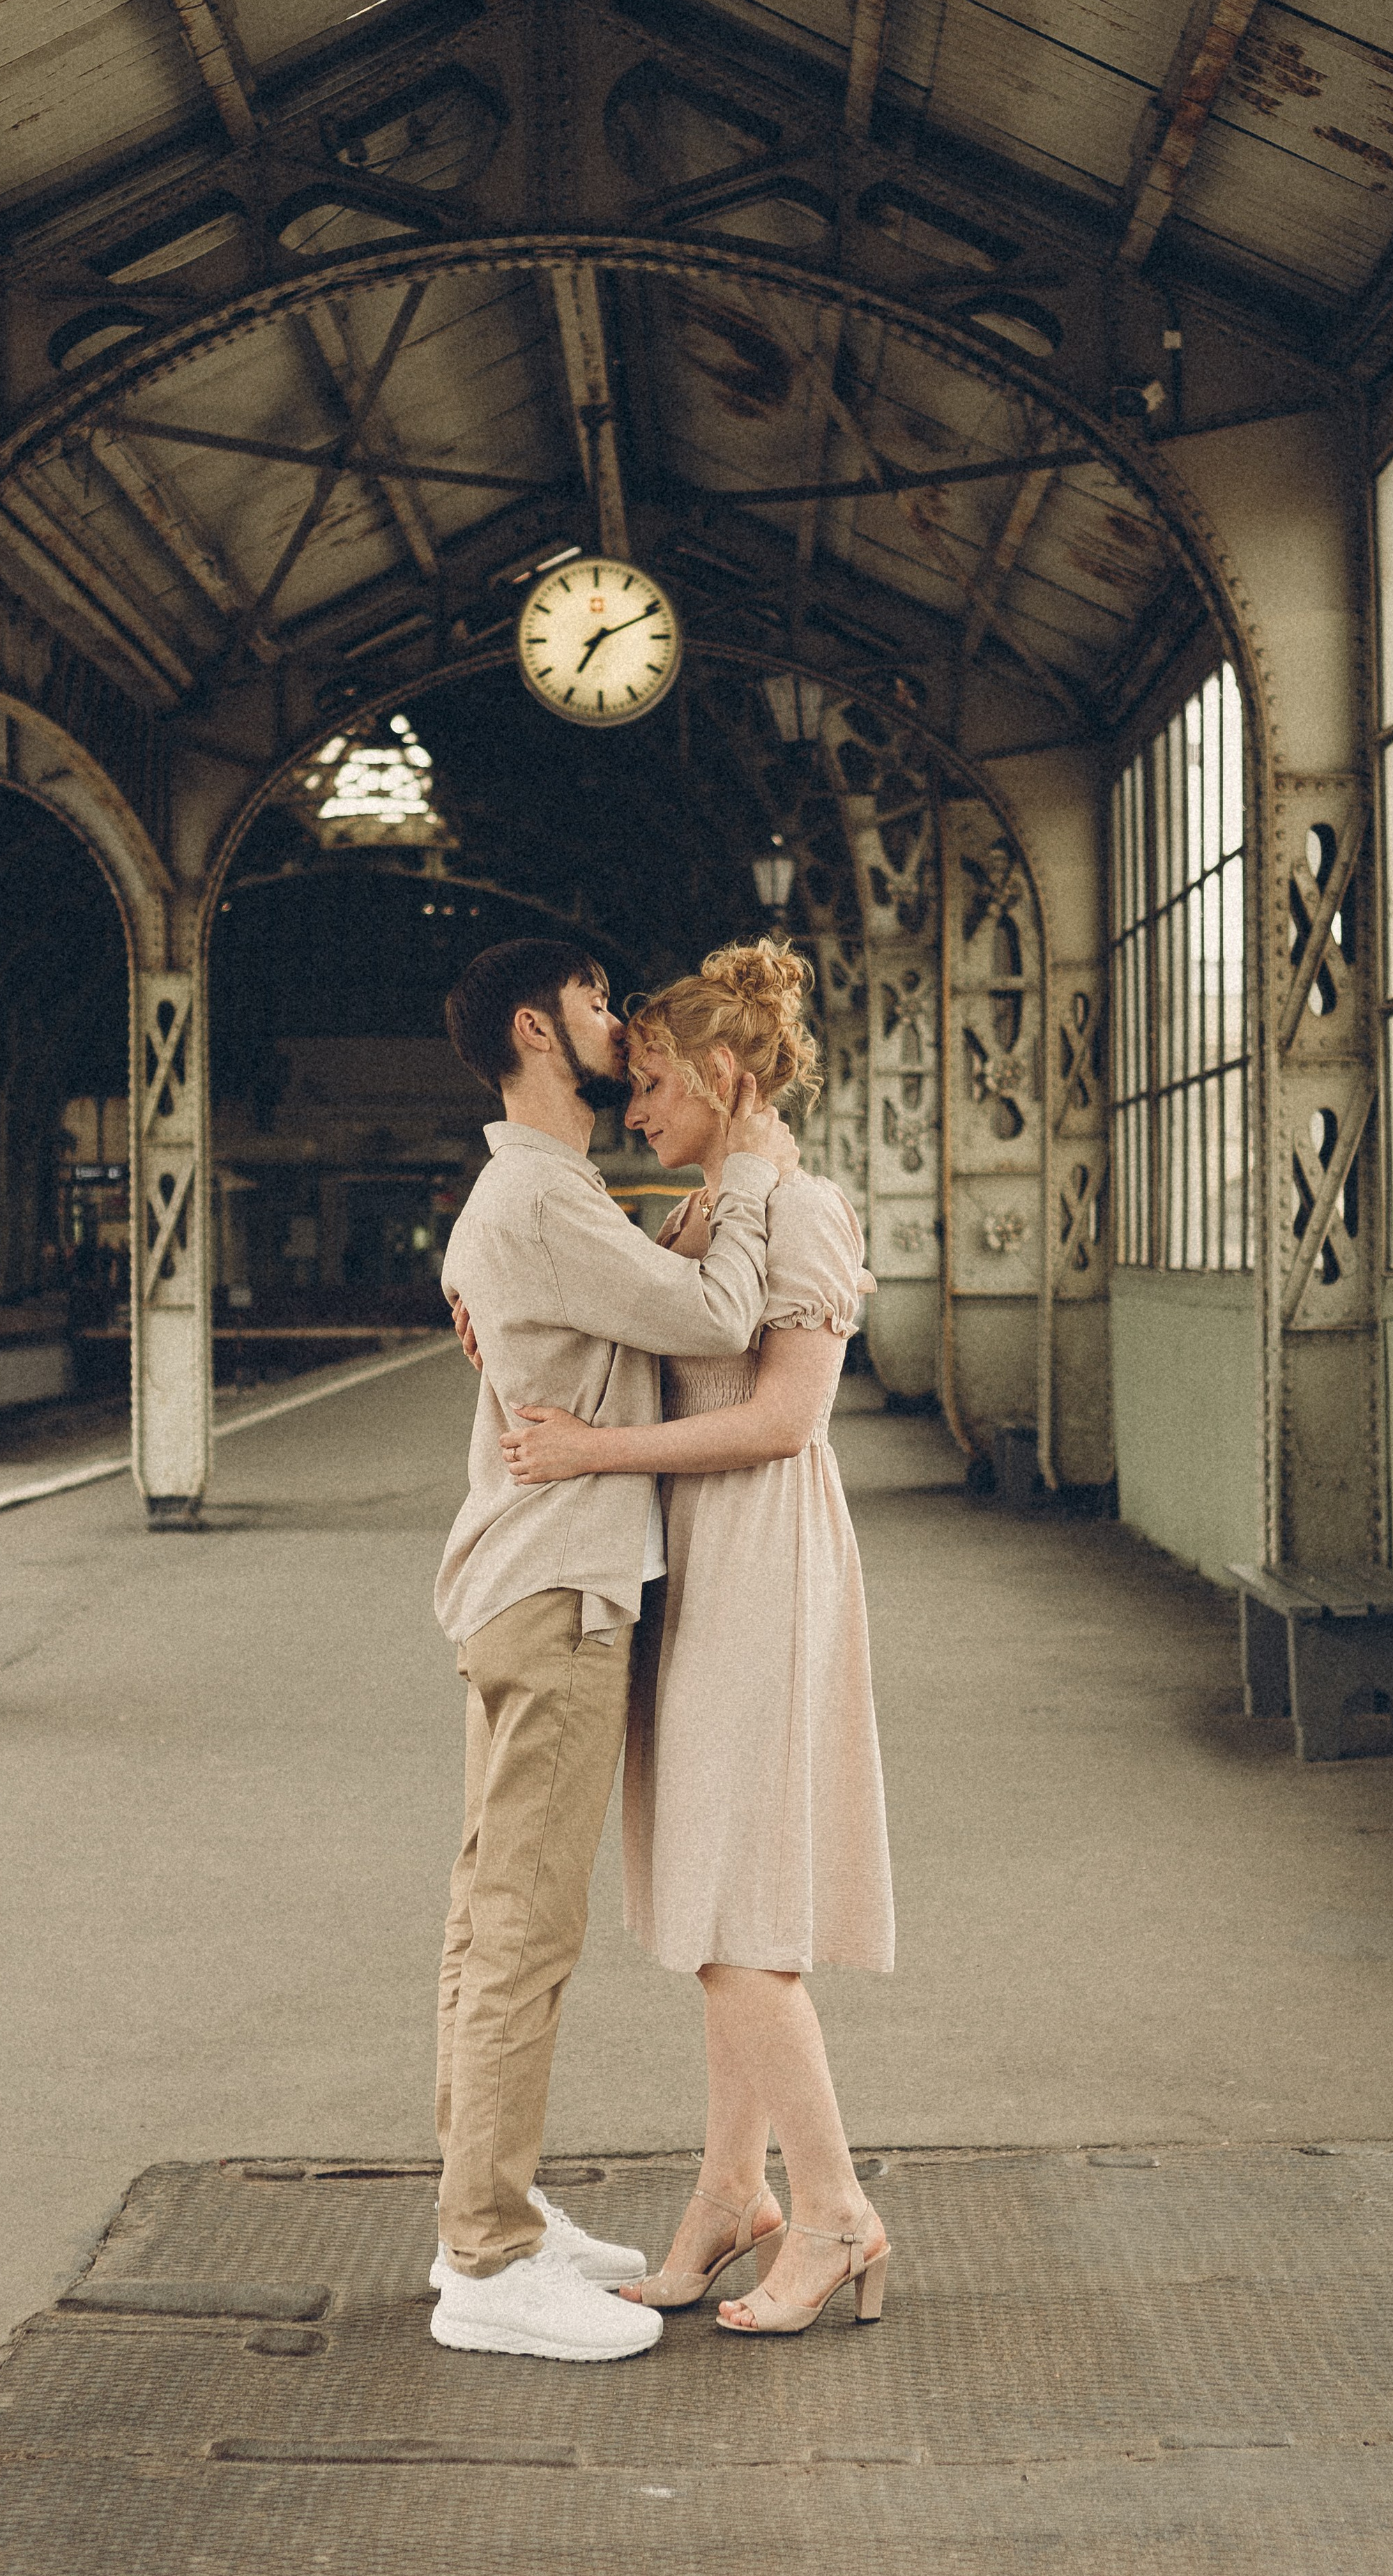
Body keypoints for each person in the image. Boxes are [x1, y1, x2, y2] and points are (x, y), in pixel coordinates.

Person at [499, 939, 895, 2337]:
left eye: (656, 1082)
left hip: (763, 1557)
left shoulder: (800, 1210)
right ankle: (732, 2190)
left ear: (725, 1077)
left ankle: (837, 2211)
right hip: (701, 1567)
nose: (635, 1105)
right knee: (712, 1902)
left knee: (736, 1919)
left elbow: (787, 1418)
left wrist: (596, 1453)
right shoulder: (708, 1206)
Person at [429, 936, 798, 2365]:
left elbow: (642, 1298)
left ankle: (491, 2209)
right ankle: (487, 2259)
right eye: (594, 1006)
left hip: (527, 1585)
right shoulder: (533, 1193)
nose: (614, 1027)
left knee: (489, 1922)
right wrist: (755, 1179)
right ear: (536, 1026)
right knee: (523, 1931)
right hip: (560, 1591)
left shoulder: (536, 1195)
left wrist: (704, 1212)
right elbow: (707, 1318)